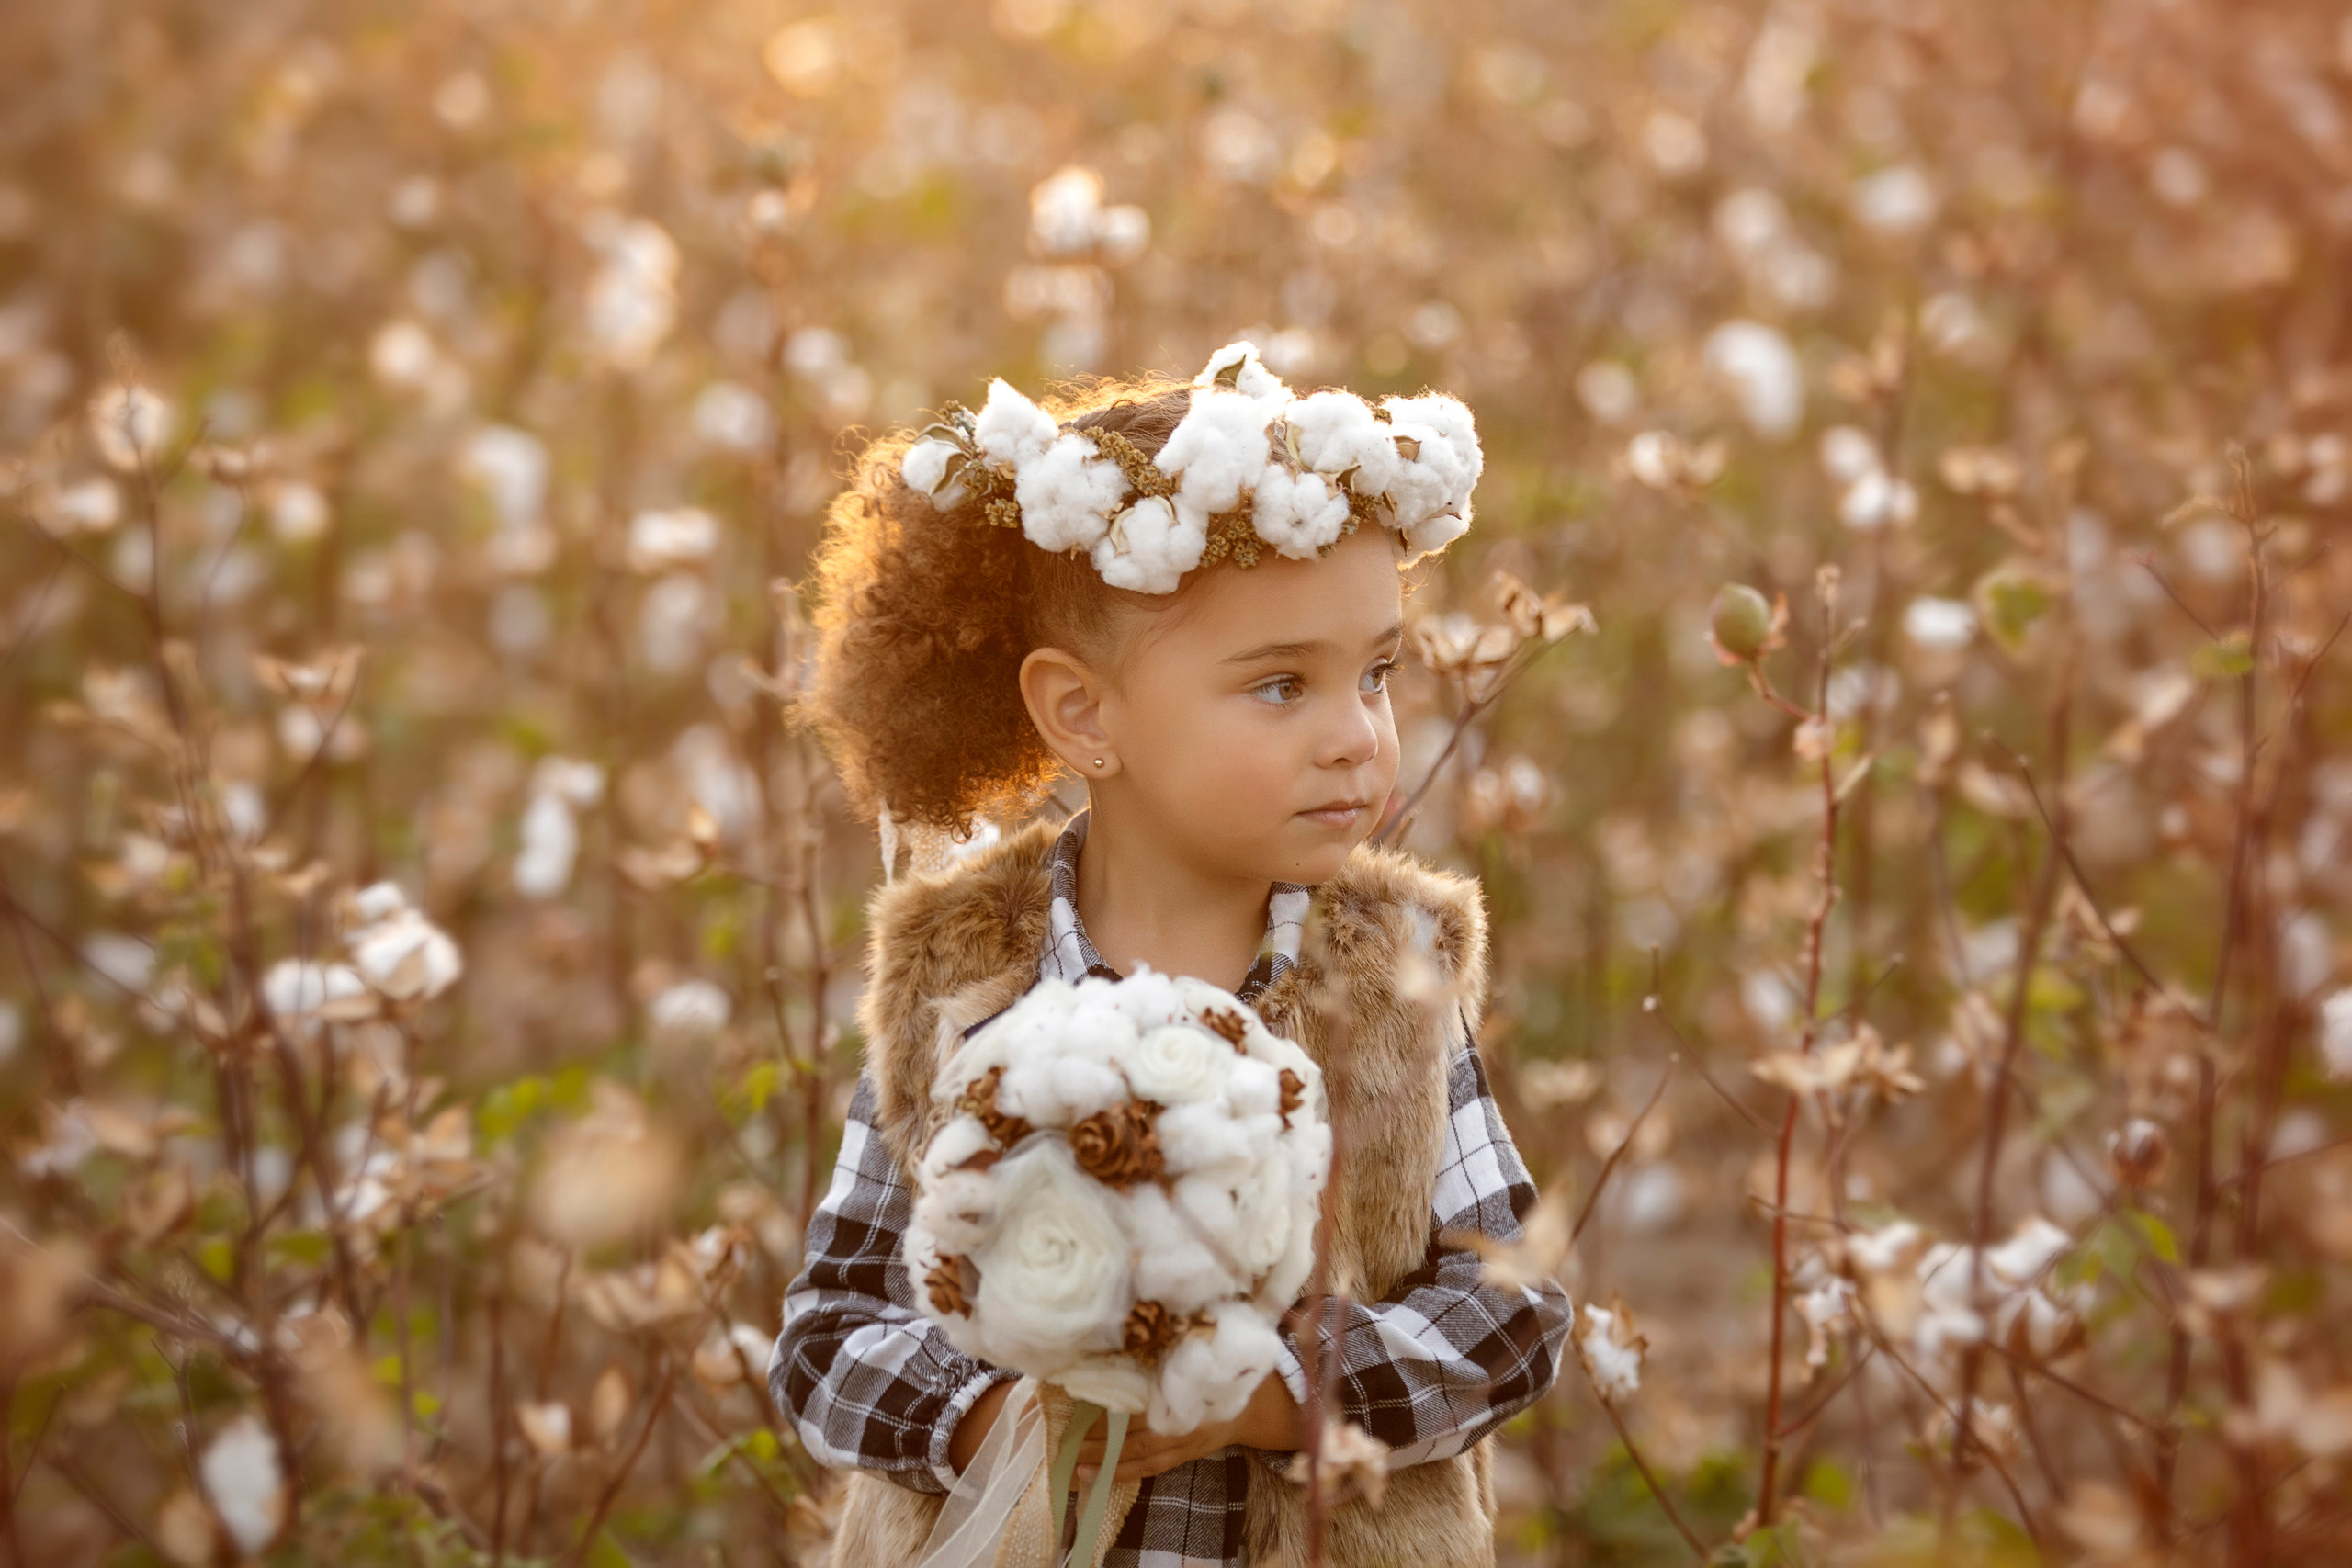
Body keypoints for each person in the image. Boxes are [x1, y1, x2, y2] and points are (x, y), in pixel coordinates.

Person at [768, 343, 1572, 1567]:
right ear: (1083, 714)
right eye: (1278, 688)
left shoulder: (1389, 978)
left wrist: (1276, 1396)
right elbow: (829, 1331)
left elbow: (1513, 1308)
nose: (1356, 737)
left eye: (1377, 674)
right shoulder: (961, 978)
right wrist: (994, 1411)